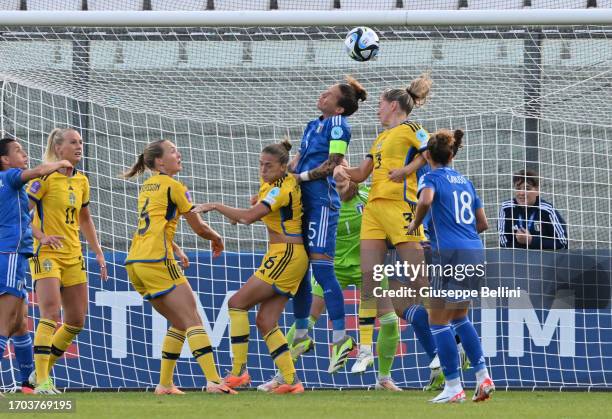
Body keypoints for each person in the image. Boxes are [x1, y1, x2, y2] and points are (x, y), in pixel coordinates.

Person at [334, 74, 437, 390]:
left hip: (400, 206)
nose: (377, 109)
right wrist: (341, 170)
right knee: (370, 279)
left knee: (419, 280)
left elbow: (432, 150)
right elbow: (362, 173)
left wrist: (407, 170)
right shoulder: (379, 139)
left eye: (380, 104)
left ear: (393, 105)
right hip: (375, 211)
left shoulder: (410, 128)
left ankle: (447, 339)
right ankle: (365, 349)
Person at [192, 140, 308, 394]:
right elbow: (256, 209)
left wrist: (215, 206)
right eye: (261, 164)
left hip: (286, 254)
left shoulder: (281, 188)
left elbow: (247, 217)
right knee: (266, 321)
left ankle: (238, 371)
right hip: (285, 254)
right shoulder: (275, 184)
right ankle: (291, 380)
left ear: (282, 167)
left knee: (236, 303)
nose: (263, 169)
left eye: (269, 166)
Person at [123, 139, 234, 395]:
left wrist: (176, 248)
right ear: (160, 161)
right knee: (193, 319)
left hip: (136, 262)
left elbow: (155, 225)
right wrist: (217, 238)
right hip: (157, 260)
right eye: (172, 151)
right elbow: (199, 226)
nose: (179, 153)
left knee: (179, 322)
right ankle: (214, 381)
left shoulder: (147, 186)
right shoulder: (175, 187)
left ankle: (164, 384)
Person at [407, 129, 494, 403]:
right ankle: (483, 377)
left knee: (436, 319)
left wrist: (415, 224)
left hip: (451, 255)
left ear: (428, 155)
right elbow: (483, 224)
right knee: (459, 317)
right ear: (452, 154)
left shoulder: (430, 177)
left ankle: (454, 387)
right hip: (474, 251)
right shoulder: (466, 182)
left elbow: (426, 199)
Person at [289, 76, 367, 373]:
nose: (322, 95)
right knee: (299, 268)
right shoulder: (312, 125)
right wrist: (277, 180)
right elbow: (296, 164)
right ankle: (301, 335)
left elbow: (334, 163)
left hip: (323, 204)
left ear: (339, 107)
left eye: (329, 94)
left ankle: (341, 338)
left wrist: (301, 178)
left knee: (322, 270)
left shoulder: (338, 126)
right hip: (302, 203)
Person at [26, 128, 107, 394]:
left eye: (81, 142)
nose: (79, 146)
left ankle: (39, 374)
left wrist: (97, 251)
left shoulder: (82, 180)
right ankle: (42, 381)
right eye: (73, 142)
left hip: (74, 255)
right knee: (50, 312)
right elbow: (20, 213)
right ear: (58, 149)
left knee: (75, 321)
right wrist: (41, 235)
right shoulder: (44, 178)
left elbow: (85, 219)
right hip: (46, 254)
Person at [0, 137, 71, 394]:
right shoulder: (9, 177)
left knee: (20, 324)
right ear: (5, 160)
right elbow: (39, 171)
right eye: (18, 150)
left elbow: (24, 219)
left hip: (16, 256)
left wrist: (42, 237)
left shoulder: (11, 189)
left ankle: (28, 386)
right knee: (5, 324)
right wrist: (59, 162)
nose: (25, 153)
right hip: (8, 254)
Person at [499, 169, 568, 250]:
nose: (521, 193)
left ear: (537, 190)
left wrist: (531, 241)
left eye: (527, 189)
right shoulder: (506, 208)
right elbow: (503, 243)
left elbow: (563, 243)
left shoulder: (547, 210)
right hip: (516, 260)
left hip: (544, 260)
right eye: (518, 188)